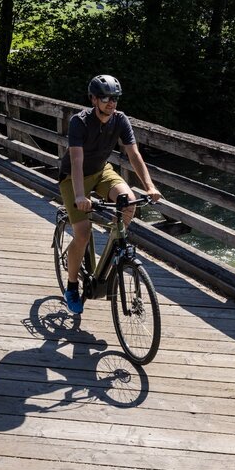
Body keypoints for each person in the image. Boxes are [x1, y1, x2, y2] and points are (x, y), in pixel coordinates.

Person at [58, 74, 161, 314]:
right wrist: (81, 196)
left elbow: (134, 155)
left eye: (114, 98)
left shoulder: (120, 120)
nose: (110, 102)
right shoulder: (79, 122)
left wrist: (149, 186)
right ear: (93, 99)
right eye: (105, 98)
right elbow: (76, 160)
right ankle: (72, 286)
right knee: (82, 234)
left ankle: (113, 247)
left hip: (101, 171)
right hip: (73, 177)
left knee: (129, 203)